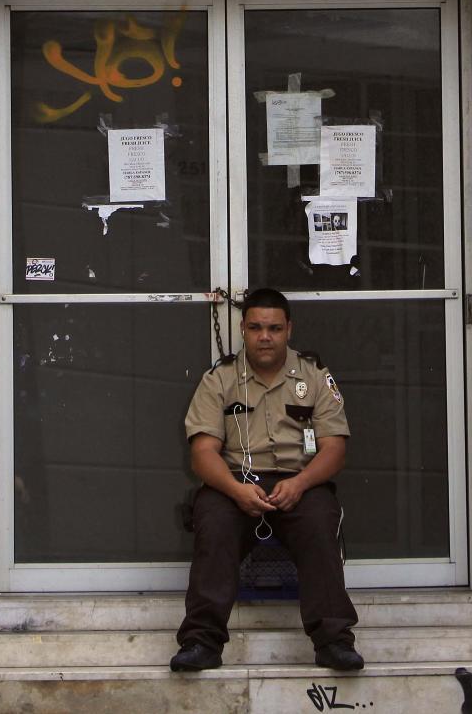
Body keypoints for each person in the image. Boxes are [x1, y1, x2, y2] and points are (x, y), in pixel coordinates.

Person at [170, 287, 362, 673]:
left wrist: (302, 483)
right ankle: (201, 642)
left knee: (319, 522)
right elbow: (203, 454)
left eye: (274, 328)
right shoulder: (219, 379)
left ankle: (333, 642)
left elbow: (334, 449)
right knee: (215, 522)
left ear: (289, 329)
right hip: (235, 483)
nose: (265, 336)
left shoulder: (314, 376)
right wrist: (235, 490)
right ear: (242, 328)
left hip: (299, 482)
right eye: (256, 327)